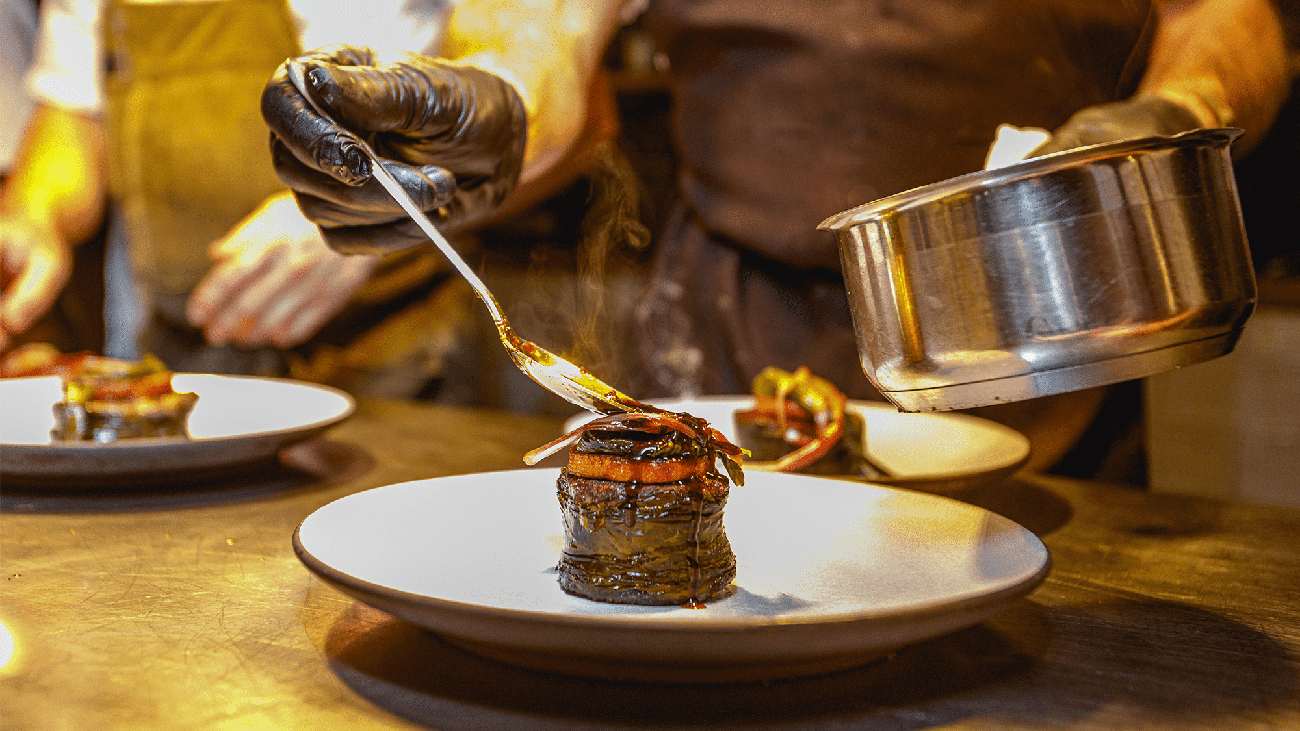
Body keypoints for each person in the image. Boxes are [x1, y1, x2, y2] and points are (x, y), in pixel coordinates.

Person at [261, 0, 1292, 471]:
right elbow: (560, 26)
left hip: (1051, 324)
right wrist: (505, 108)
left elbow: (1229, 13)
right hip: (724, 328)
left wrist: (1181, 109)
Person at [0, 0, 498, 398]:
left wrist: (373, 204)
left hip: (399, 373)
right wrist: (36, 214)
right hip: (193, 376)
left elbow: (530, 90)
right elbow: (76, 116)